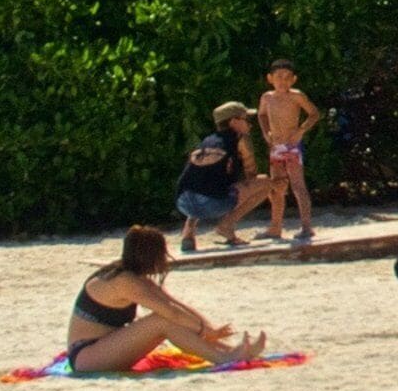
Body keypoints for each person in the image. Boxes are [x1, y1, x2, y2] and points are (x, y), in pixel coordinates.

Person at [64, 226, 266, 373]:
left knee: (169, 318)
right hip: (85, 357)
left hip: (104, 348)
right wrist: (205, 331)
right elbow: (170, 312)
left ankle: (233, 351)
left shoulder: (135, 277)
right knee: (162, 319)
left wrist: (209, 328)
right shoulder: (125, 281)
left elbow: (175, 304)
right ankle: (223, 358)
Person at [171, 104, 255, 253]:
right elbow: (240, 178)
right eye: (246, 119)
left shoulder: (207, 141)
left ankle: (188, 233)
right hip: (211, 204)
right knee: (265, 183)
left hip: (182, 202)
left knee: (202, 183)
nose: (250, 123)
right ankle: (226, 226)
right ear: (233, 122)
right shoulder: (234, 142)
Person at [256, 60, 322, 247]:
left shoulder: (296, 96)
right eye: (278, 77)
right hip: (276, 146)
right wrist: (265, 131)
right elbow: (261, 115)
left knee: (298, 185)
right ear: (270, 79)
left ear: (293, 79)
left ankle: (306, 226)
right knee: (276, 186)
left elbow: (314, 113)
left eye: (287, 78)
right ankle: (275, 226)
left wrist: (301, 130)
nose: (282, 81)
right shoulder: (267, 97)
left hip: (292, 146)